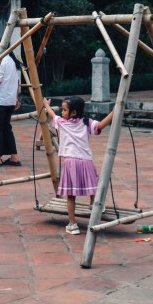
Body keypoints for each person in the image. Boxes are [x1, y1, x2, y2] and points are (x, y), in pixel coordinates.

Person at [43, 95, 114, 235]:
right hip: (86, 161)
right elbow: (100, 126)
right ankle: (94, 205)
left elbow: (51, 114)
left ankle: (72, 224)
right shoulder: (87, 122)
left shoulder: (62, 122)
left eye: (64, 110)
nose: (61, 113)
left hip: (71, 162)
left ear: (73, 112)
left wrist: (45, 104)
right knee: (92, 188)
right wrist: (114, 112)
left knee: (70, 196)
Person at [0, 39, 22, 167]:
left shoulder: (2, 60)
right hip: (9, 100)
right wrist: (15, 98)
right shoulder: (13, 61)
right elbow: (17, 82)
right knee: (6, 128)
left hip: (0, 101)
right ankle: (14, 156)